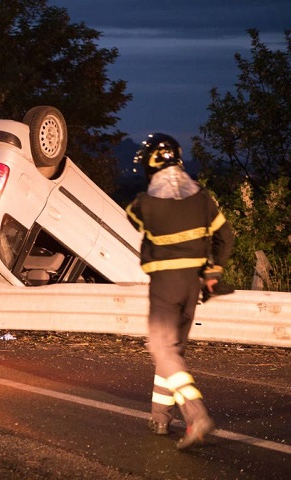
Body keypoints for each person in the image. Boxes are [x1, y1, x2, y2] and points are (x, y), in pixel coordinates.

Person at [125, 133, 234, 450]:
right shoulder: (204, 199)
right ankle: (160, 416)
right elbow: (225, 236)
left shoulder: (143, 204)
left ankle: (196, 414)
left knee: (161, 348)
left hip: (165, 285)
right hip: (192, 286)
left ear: (149, 166)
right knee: (173, 352)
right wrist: (214, 273)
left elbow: (134, 218)